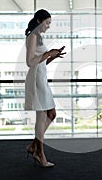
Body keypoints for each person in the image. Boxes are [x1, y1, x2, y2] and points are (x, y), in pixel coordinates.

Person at [24, 9, 65, 168]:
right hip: (36, 80)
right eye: (47, 22)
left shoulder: (38, 37)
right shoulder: (32, 36)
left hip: (41, 77)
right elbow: (29, 62)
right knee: (41, 116)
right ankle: (40, 153)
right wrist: (48, 53)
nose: (48, 26)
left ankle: (34, 146)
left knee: (52, 114)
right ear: (39, 20)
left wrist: (52, 56)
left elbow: (39, 62)